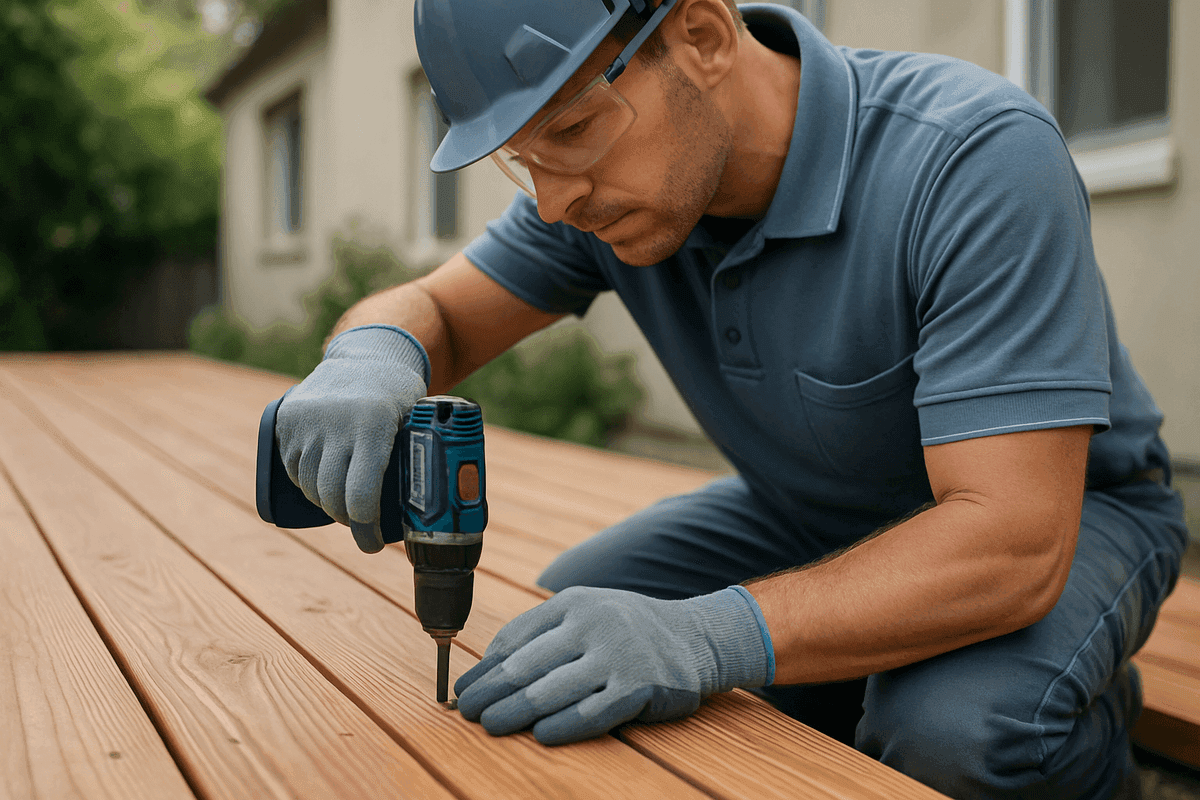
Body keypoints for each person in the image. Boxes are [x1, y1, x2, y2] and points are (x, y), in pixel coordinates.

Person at [273, 1, 1188, 797]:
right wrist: (372, 353)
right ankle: (837, 683)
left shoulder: (973, 159)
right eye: (522, 160)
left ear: (704, 34)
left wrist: (711, 637)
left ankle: (1085, 758)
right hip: (807, 507)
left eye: (573, 130)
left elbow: (1012, 541)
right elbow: (434, 308)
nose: (554, 202)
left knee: (958, 734)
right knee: (562, 633)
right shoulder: (615, 189)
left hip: (1058, 513)